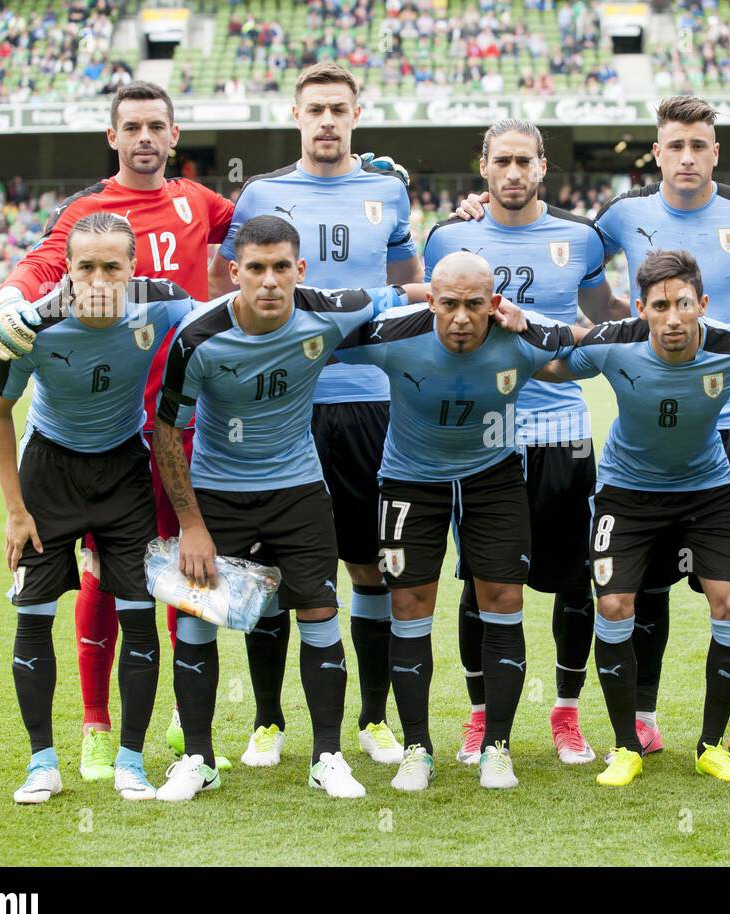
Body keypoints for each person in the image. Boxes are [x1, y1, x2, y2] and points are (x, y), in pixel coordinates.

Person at [455, 95, 730, 764]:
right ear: (656, 152)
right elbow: (582, 311)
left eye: (700, 145)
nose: (687, 156)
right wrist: (475, 216)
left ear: (714, 150)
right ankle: (641, 716)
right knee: (641, 586)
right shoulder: (614, 221)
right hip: (574, 446)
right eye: (675, 145)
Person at [0, 81, 237, 780]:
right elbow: (41, 265)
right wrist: (10, 299)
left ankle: (187, 717)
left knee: (183, 573)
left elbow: (262, 230)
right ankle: (97, 727)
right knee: (99, 575)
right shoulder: (88, 211)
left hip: (179, 424)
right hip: (108, 427)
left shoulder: (199, 202)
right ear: (113, 136)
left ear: (175, 134)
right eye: (132, 126)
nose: (146, 137)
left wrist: (361, 172)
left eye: (157, 125)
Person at [152, 215, 423, 802]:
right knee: (199, 624)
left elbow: (411, 294)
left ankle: (327, 756)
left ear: (300, 271)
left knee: (320, 616)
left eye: (281, 268)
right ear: (234, 274)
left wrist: (488, 304)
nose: (269, 281)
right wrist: (191, 526)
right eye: (256, 269)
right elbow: (167, 433)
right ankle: (198, 760)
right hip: (217, 496)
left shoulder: (329, 309)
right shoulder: (198, 337)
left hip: (299, 491)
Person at [207, 63, 424, 769]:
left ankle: (372, 719)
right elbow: (226, 285)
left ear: (356, 111)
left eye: (338, 109)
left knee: (368, 567)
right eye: (315, 110)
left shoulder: (387, 190)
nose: (327, 121)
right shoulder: (264, 194)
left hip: (365, 403)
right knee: (266, 572)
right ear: (296, 116)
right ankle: (268, 721)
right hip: (279, 409)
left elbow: (406, 291)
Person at [332, 251, 577, 790]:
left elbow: (586, 342)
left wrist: (531, 322)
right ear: (431, 300)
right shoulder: (395, 333)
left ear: (494, 303)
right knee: (408, 604)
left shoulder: (519, 335)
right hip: (410, 483)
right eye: (448, 304)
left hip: (493, 479)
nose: (461, 318)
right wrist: (397, 294)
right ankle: (417, 748)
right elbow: (320, 337)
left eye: (474, 305)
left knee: (504, 601)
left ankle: (497, 748)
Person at [422, 118, 626, 766]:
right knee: (479, 580)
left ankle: (565, 714)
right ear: (483, 166)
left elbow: (606, 325)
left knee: (574, 582)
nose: (513, 173)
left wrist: (533, 325)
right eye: (502, 161)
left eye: (525, 161)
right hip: (482, 436)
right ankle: (481, 718)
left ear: (543, 168)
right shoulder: (451, 237)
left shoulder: (579, 238)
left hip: (561, 434)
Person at [534, 249, 730, 788]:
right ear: (641, 308)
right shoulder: (615, 340)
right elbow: (550, 365)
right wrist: (502, 332)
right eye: (659, 305)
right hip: (627, 493)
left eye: (683, 304)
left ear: (702, 304)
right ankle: (626, 746)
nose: (672, 318)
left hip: (707, 491)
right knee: (615, 604)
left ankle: (712, 746)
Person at [0, 212, 200, 803]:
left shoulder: (162, 304)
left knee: (138, 615)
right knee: (33, 617)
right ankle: (42, 764)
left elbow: (225, 318)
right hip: (49, 475)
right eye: (87, 267)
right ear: (69, 271)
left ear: (134, 269)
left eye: (113, 266)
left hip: (124, 472)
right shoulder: (34, 327)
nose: (100, 277)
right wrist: (15, 510)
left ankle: (132, 761)